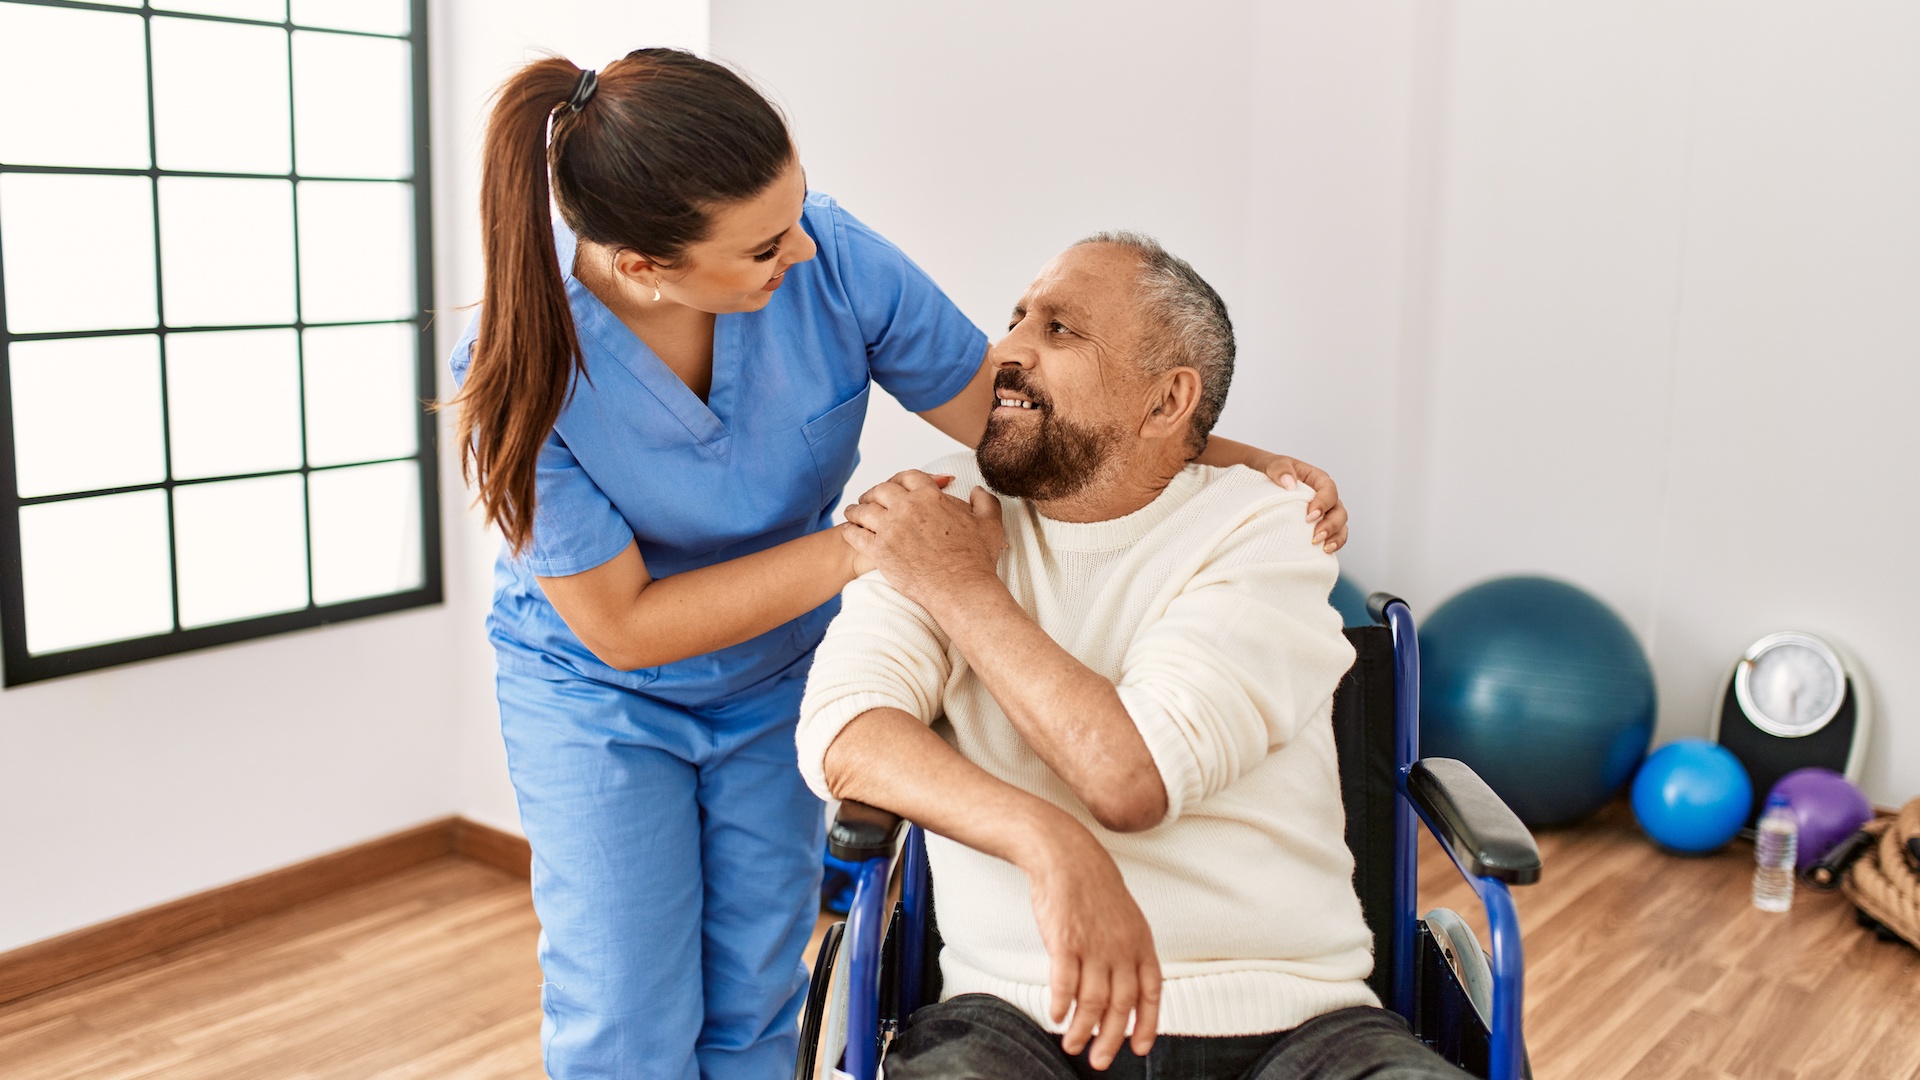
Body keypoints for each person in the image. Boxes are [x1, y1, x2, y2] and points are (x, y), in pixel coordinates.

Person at [447, 49, 1351, 1079]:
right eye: (760, 248)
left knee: (756, 1002)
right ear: (646, 268)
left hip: (771, 670)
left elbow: (1013, 418)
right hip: (597, 697)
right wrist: (876, 545)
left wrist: (1235, 454)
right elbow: (626, 624)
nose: (799, 248)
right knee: (624, 1018)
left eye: (793, 211)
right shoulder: (517, 364)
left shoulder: (829, 254)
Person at [798, 234, 1466, 1079]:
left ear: (1166, 401)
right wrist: (1045, 841)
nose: (1005, 350)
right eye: (1015, 320)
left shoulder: (1262, 530)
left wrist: (964, 591)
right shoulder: (942, 508)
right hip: (1010, 1020)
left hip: (1294, 1024)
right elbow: (843, 730)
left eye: (1060, 330)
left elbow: (1130, 777)